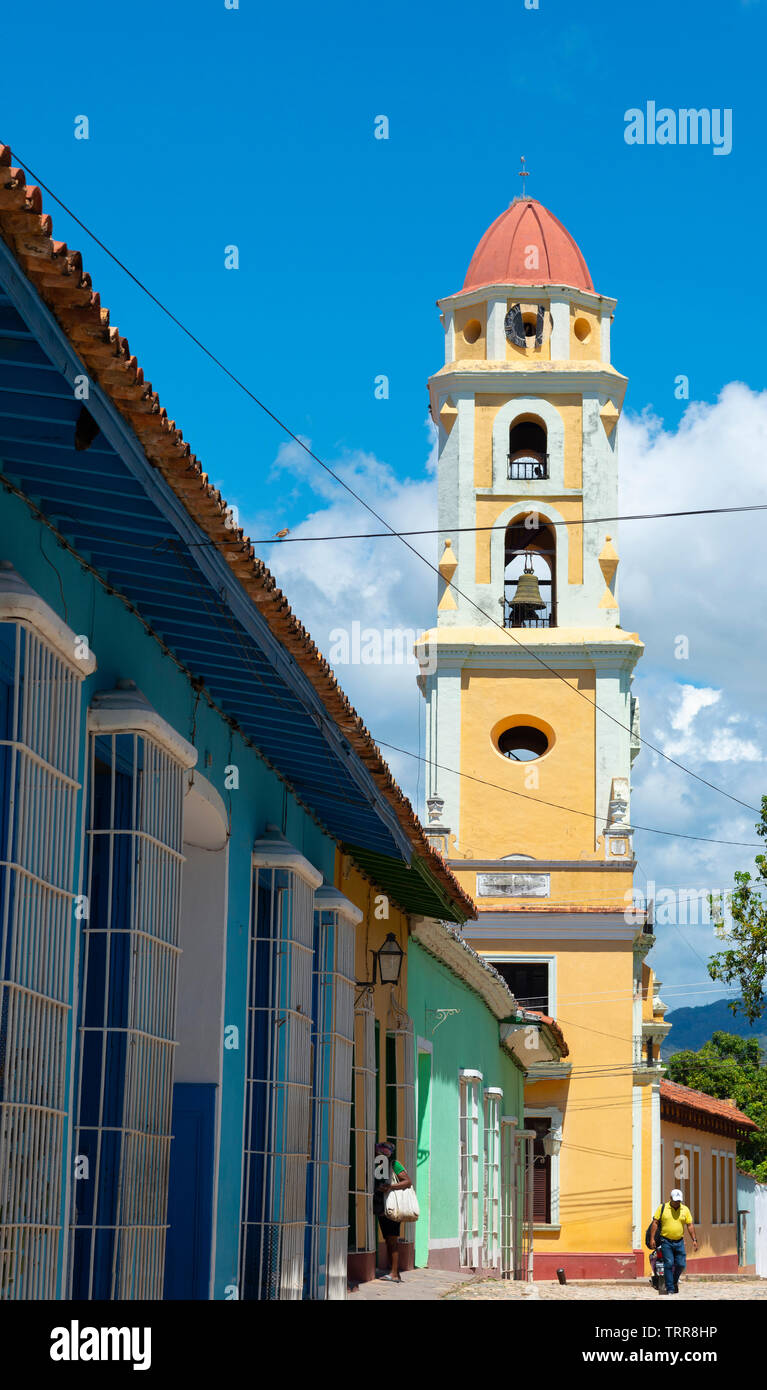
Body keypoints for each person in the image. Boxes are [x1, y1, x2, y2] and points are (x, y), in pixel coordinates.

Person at [373, 1140, 412, 1283]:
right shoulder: (379, 1165)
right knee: (388, 1239)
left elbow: (407, 1181)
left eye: (378, 1151)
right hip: (383, 1207)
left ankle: (395, 1273)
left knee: (393, 1239)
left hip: (393, 1206)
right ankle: (393, 1271)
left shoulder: (394, 1164)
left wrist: (391, 1187)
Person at [648, 1187, 699, 1294]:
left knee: (681, 1264)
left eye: (679, 1200)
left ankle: (674, 1281)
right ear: (670, 1198)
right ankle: (670, 1288)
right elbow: (655, 1222)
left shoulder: (685, 1209)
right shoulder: (663, 1208)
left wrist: (694, 1239)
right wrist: (652, 1238)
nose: (677, 1202)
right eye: (675, 1200)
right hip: (666, 1240)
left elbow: (689, 1225)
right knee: (669, 1263)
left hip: (679, 1241)